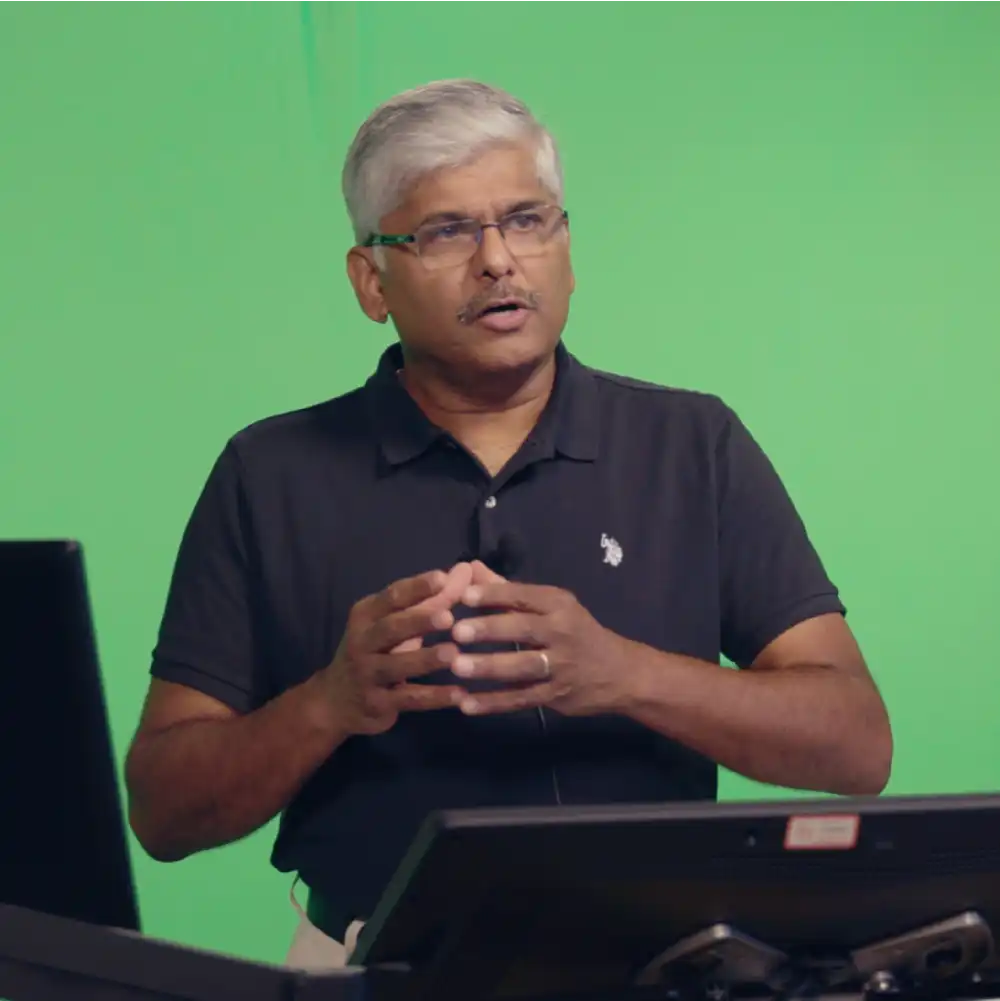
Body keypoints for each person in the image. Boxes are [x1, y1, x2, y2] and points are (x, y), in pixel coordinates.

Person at [124, 79, 893, 971]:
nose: (498, 260)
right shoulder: (270, 474)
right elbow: (163, 811)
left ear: (566, 247)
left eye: (527, 220)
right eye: (446, 231)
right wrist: (330, 702)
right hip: (369, 966)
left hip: (663, 968)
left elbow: (855, 744)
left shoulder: (693, 444)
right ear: (371, 281)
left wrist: (623, 673)